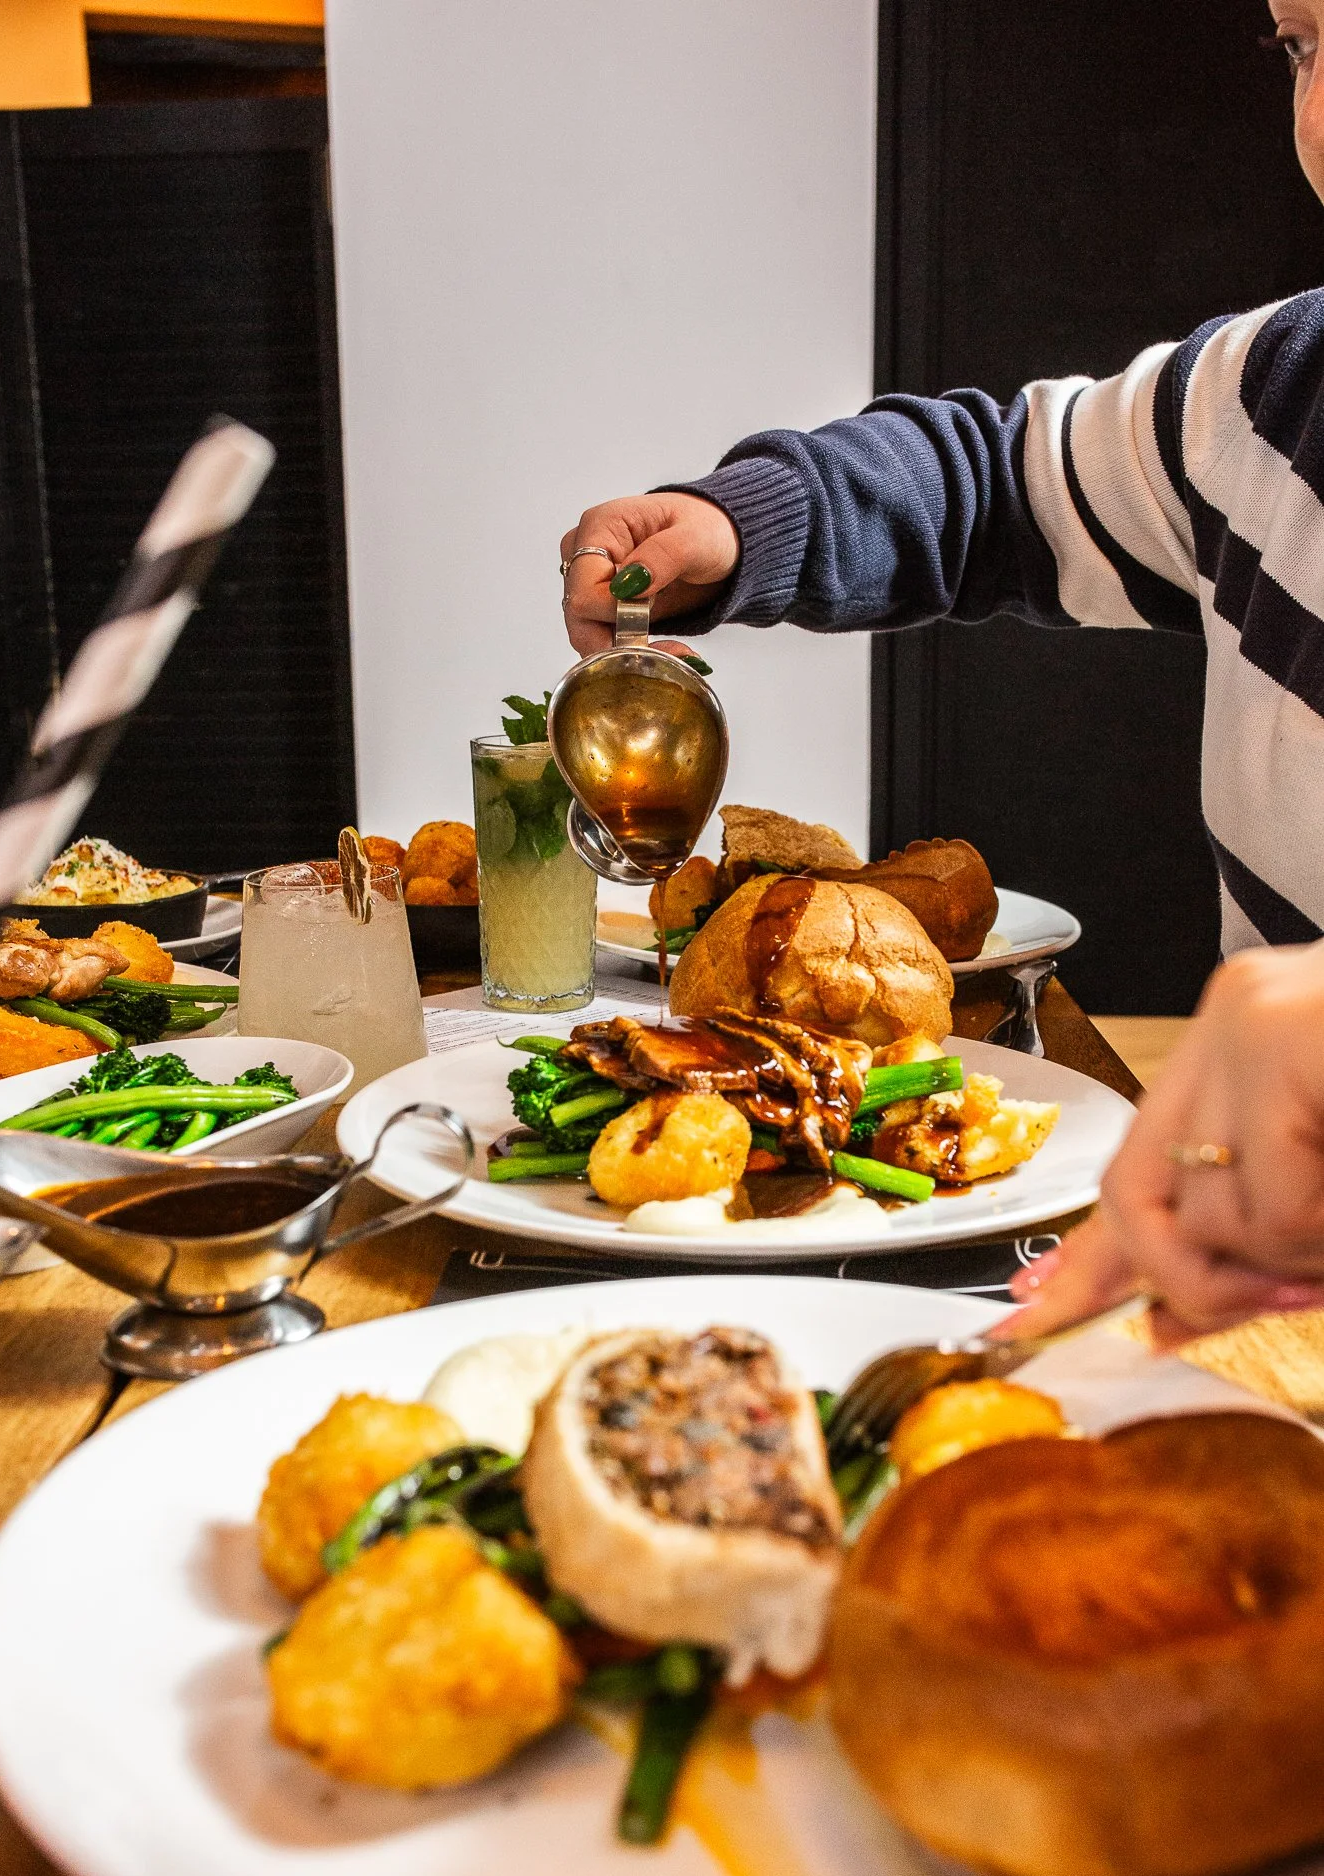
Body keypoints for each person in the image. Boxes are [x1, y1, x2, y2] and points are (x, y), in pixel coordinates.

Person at [558, 0, 1324, 1334]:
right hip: (1260, 1278)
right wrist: (751, 524)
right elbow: (999, 482)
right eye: (1308, 44)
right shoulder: (1275, 393)